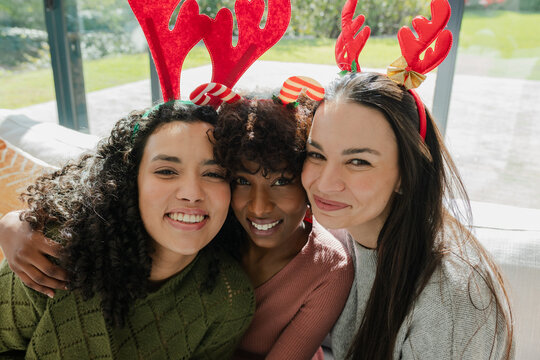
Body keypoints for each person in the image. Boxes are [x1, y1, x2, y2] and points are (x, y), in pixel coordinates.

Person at [0, 102, 255, 358]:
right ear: (129, 181)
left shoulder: (229, 298)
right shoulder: (49, 252)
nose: (192, 193)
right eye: (166, 171)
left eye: (213, 173)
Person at [301, 72, 514, 359]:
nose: (325, 183)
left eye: (358, 162)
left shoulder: (450, 298)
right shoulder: (346, 235)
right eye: (316, 154)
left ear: (406, 173)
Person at [213, 98, 354, 359]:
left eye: (280, 181)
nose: (259, 208)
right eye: (243, 180)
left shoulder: (330, 268)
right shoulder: (211, 237)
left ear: (308, 180)